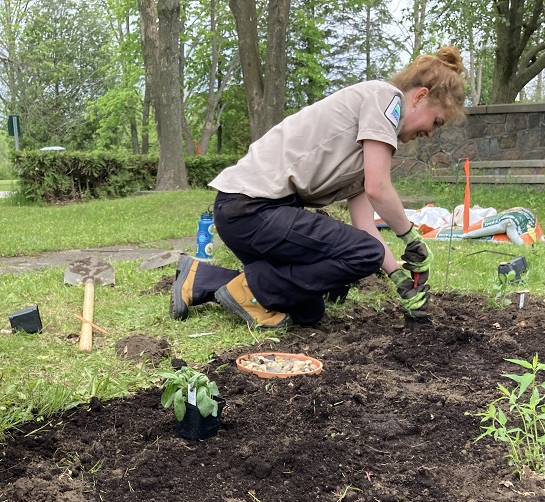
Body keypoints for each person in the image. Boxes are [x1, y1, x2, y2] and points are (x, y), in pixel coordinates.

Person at [171, 46, 467, 329]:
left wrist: (398, 277)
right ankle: (248, 287)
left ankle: (204, 278)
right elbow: (378, 188)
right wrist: (412, 239)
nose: (430, 133)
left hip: (254, 215)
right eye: (436, 121)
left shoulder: (368, 142)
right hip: (250, 209)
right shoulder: (386, 99)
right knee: (364, 254)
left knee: (309, 311)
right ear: (420, 96)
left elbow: (365, 225)